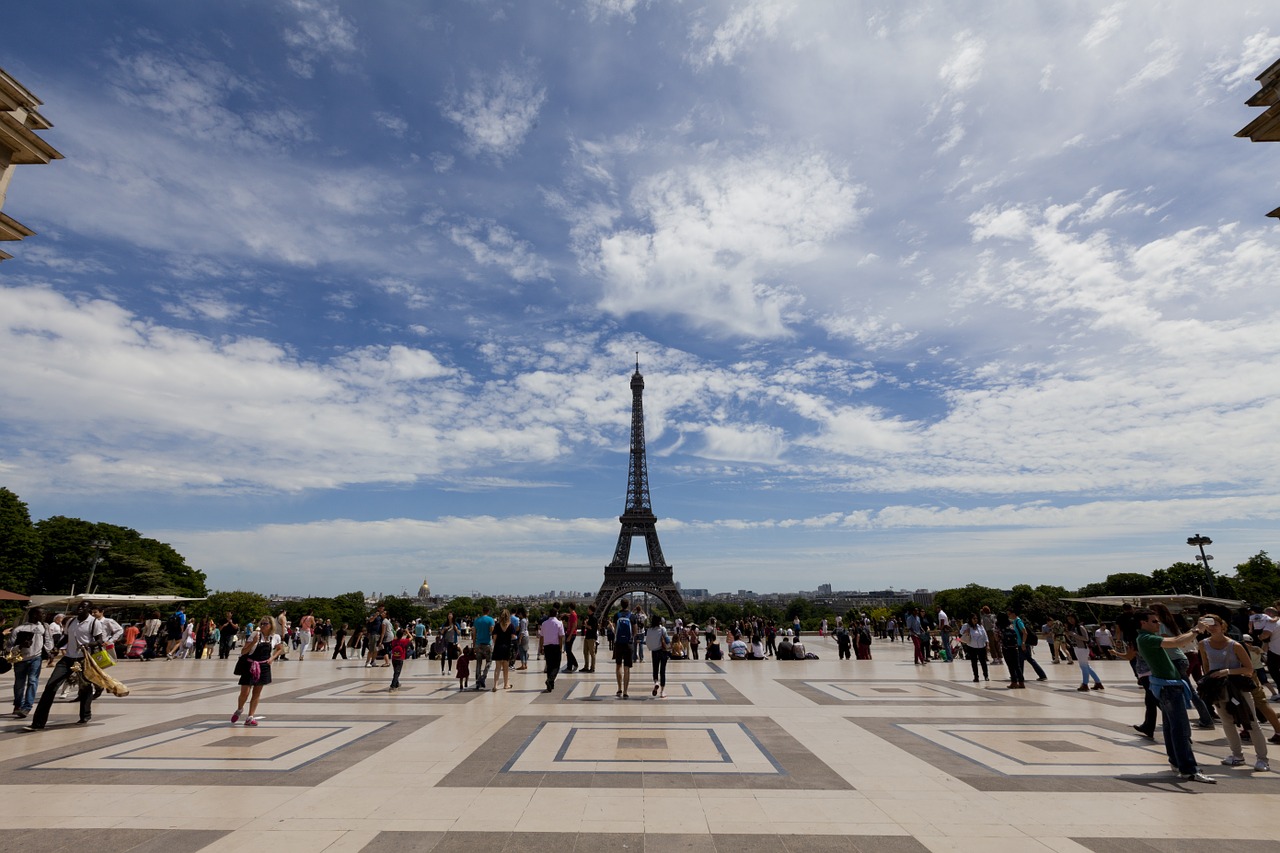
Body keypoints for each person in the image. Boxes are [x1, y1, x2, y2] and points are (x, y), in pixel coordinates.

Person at [1134, 607, 1215, 783]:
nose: (1158, 623)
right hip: (1168, 688)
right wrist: (1196, 629)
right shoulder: (1146, 638)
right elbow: (1178, 642)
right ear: (1143, 623)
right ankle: (1189, 769)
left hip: (1165, 686)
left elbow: (1177, 640)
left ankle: (1177, 763)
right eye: (1154, 621)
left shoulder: (1145, 637)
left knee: (1171, 727)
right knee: (1181, 729)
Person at [1198, 613, 1268, 771]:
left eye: (1214, 623)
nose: (1211, 627)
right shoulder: (1203, 644)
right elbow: (1206, 666)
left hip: (1237, 687)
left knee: (1251, 722)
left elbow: (1249, 669)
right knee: (1227, 722)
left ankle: (1262, 759)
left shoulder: (1234, 645)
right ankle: (1237, 755)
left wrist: (1227, 671)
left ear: (1223, 626)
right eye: (1207, 624)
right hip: (1218, 688)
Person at [27, 600, 107, 731]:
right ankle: (38, 722)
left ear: (90, 610)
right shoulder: (70, 621)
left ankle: (85, 715)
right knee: (50, 687)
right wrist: (56, 648)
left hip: (83, 659)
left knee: (85, 688)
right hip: (67, 659)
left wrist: (88, 645)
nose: (80, 608)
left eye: (84, 607)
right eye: (79, 606)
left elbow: (99, 641)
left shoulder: (94, 623)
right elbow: (65, 637)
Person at [1151, 603, 1215, 730]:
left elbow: (1165, 642)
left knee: (1188, 691)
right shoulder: (1170, 624)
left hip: (1174, 659)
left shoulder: (1161, 626)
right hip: (1180, 658)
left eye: (1153, 612)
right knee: (1188, 689)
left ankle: (1206, 718)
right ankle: (1206, 718)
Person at [231, 617, 285, 726]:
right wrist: (253, 642)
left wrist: (272, 658)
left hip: (263, 666)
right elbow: (244, 650)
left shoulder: (275, 637)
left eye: (265, 623)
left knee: (257, 693)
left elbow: (280, 648)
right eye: (262, 623)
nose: (263, 625)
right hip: (250, 665)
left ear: (271, 625)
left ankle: (250, 717)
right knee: (244, 692)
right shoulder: (255, 635)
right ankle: (240, 709)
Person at [8, 607, 51, 719]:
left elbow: (48, 641)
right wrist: (21, 645)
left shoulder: (44, 627)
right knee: (19, 684)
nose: (44, 615)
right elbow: (9, 647)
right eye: (41, 613)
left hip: (36, 658)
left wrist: (49, 651)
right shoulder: (19, 629)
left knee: (32, 681)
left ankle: (27, 707)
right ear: (34, 615)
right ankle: (18, 704)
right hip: (21, 659)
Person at [1065, 614, 1103, 691]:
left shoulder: (1080, 627)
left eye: (1072, 618)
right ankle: (1098, 682)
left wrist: (1074, 635)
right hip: (1077, 648)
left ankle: (1085, 684)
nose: (1070, 620)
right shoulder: (1073, 627)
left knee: (1083, 666)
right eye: (1069, 619)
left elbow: (1086, 638)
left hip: (1082, 648)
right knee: (1087, 666)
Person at [612, 600, 635, 698]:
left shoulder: (616, 615)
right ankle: (625, 691)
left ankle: (619, 689)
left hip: (618, 644)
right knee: (627, 668)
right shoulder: (632, 616)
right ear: (628, 605)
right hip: (628, 644)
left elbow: (614, 630)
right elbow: (635, 631)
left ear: (620, 605)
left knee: (618, 666)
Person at [540, 610, 565, 693]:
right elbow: (561, 636)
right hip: (556, 646)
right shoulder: (559, 623)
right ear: (556, 614)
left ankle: (551, 684)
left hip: (547, 646)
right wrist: (561, 647)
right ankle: (550, 680)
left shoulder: (544, 624)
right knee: (556, 665)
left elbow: (541, 637)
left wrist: (541, 647)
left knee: (549, 664)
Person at [472, 604, 496, 690]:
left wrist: (474, 644)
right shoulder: (490, 620)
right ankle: (484, 676)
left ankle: (478, 680)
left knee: (478, 663)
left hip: (478, 643)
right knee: (489, 662)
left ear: (482, 611)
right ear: (488, 611)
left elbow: (474, 633)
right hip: (487, 644)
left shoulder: (477, 620)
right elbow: (492, 632)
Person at [960, 614, 989, 683]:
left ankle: (986, 675)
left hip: (981, 646)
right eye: (974, 618)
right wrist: (966, 631)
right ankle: (976, 676)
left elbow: (985, 635)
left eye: (976, 618)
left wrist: (987, 644)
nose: (975, 620)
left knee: (983, 662)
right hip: (972, 646)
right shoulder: (966, 626)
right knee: (974, 662)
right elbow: (961, 632)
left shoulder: (980, 626)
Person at [492, 609, 517, 691]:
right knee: (505, 668)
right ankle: (506, 684)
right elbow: (513, 636)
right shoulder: (511, 625)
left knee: (497, 667)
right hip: (507, 647)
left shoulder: (497, 625)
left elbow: (494, 638)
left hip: (498, 647)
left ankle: (495, 685)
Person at [647, 615, 670, 697]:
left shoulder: (649, 630)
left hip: (654, 652)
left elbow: (648, 641)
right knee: (662, 671)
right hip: (663, 652)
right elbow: (667, 640)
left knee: (655, 669)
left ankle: (656, 682)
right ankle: (662, 691)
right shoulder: (662, 629)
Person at [581, 604, 599, 674]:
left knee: (592, 653)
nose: (587, 610)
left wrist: (586, 624)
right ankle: (586, 666)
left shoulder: (594, 618)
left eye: (588, 609)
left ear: (590, 609)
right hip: (587, 636)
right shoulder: (590, 617)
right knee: (585, 652)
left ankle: (592, 667)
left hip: (591, 637)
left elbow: (592, 628)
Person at [562, 604, 580, 673]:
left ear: (570, 607)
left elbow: (574, 625)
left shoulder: (573, 615)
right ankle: (573, 665)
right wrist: (565, 614)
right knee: (568, 651)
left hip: (571, 634)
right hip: (570, 634)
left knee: (568, 651)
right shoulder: (572, 614)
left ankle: (571, 666)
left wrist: (569, 636)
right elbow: (570, 616)